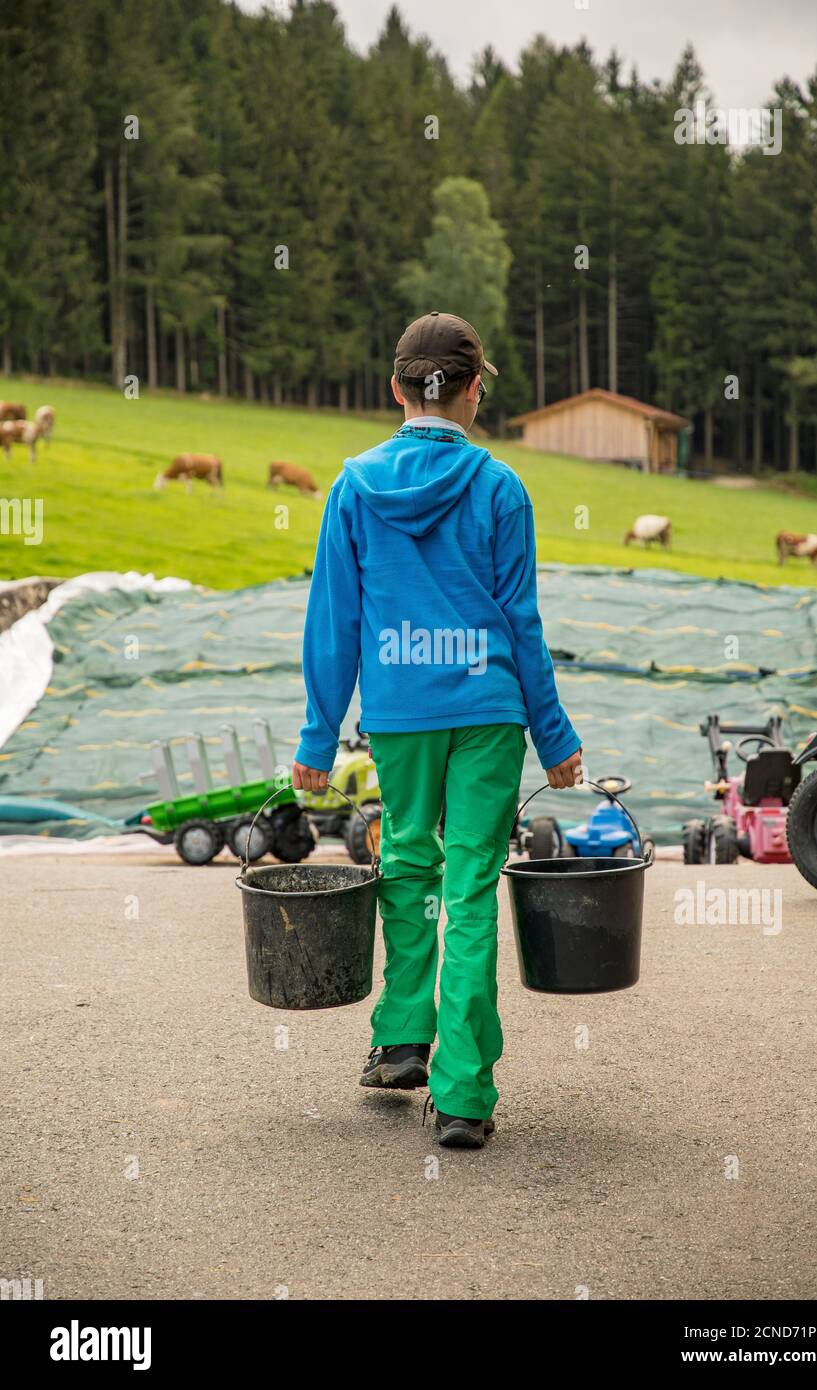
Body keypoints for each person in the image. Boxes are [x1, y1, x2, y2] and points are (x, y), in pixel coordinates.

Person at [293, 311, 582, 1149]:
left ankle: (400, 1043)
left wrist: (319, 738)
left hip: (401, 713)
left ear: (396, 388)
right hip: (488, 712)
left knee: (408, 860)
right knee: (470, 888)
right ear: (474, 390)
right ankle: (461, 1096)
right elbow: (521, 623)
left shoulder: (352, 487)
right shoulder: (500, 488)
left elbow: (334, 622)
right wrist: (555, 736)